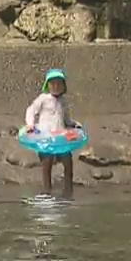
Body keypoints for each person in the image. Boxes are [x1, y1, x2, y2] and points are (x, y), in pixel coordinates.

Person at [25, 68, 81, 197]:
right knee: (47, 162)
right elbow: (31, 110)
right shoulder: (43, 99)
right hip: (46, 137)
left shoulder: (64, 101)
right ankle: (47, 191)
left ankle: (68, 190)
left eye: (59, 83)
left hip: (60, 137)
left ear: (63, 86)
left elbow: (65, 117)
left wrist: (72, 124)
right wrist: (30, 125)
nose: (56, 86)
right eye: (52, 83)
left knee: (68, 161)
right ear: (47, 85)